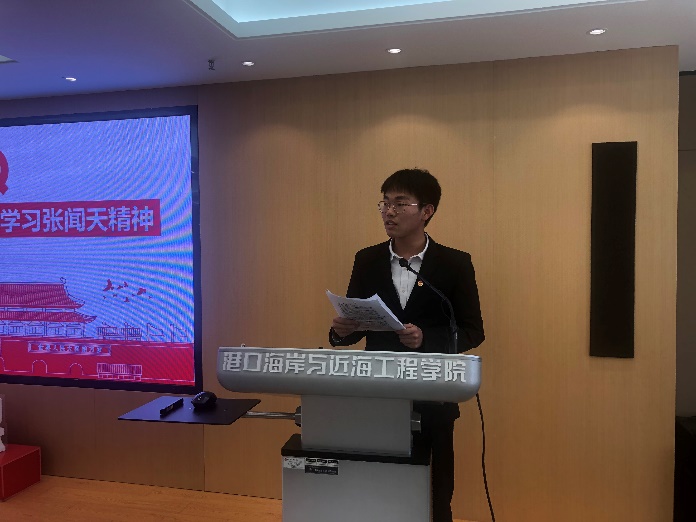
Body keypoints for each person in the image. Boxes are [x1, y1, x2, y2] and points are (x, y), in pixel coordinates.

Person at [329, 168, 485, 522]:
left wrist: (425, 338)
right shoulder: (367, 260)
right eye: (385, 203)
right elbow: (356, 326)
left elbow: (473, 331)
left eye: (400, 204)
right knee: (380, 484)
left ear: (426, 211)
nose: (389, 212)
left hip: (434, 392)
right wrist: (342, 330)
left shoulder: (455, 264)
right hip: (379, 391)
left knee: (435, 490)